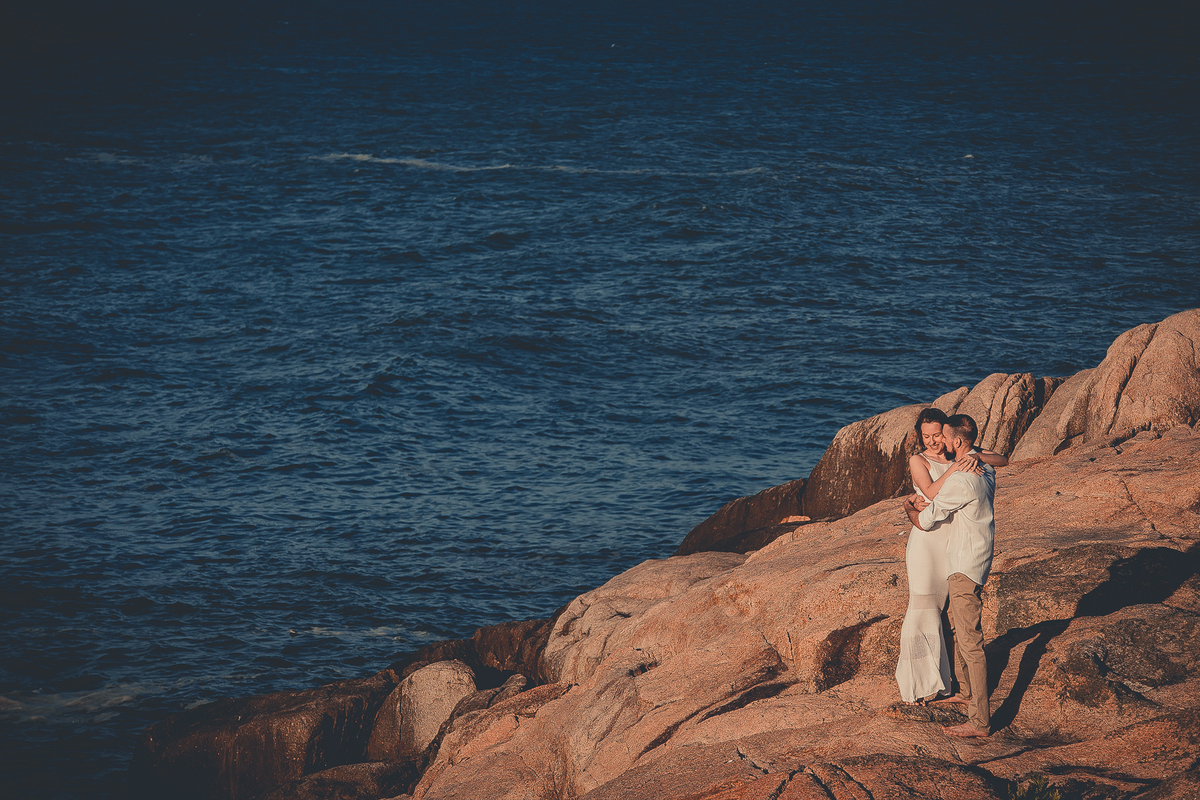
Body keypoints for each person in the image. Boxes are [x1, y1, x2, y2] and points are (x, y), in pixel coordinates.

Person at [895, 408, 1006, 708]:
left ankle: (946, 683)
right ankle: (916, 685)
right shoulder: (919, 459)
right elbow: (929, 491)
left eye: (937, 435)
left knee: (947, 617)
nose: (932, 442)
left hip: (952, 544)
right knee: (921, 606)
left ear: (947, 434)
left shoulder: (959, 452)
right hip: (926, 541)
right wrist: (957, 466)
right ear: (919, 435)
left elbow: (1003, 459)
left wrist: (977, 457)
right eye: (926, 436)